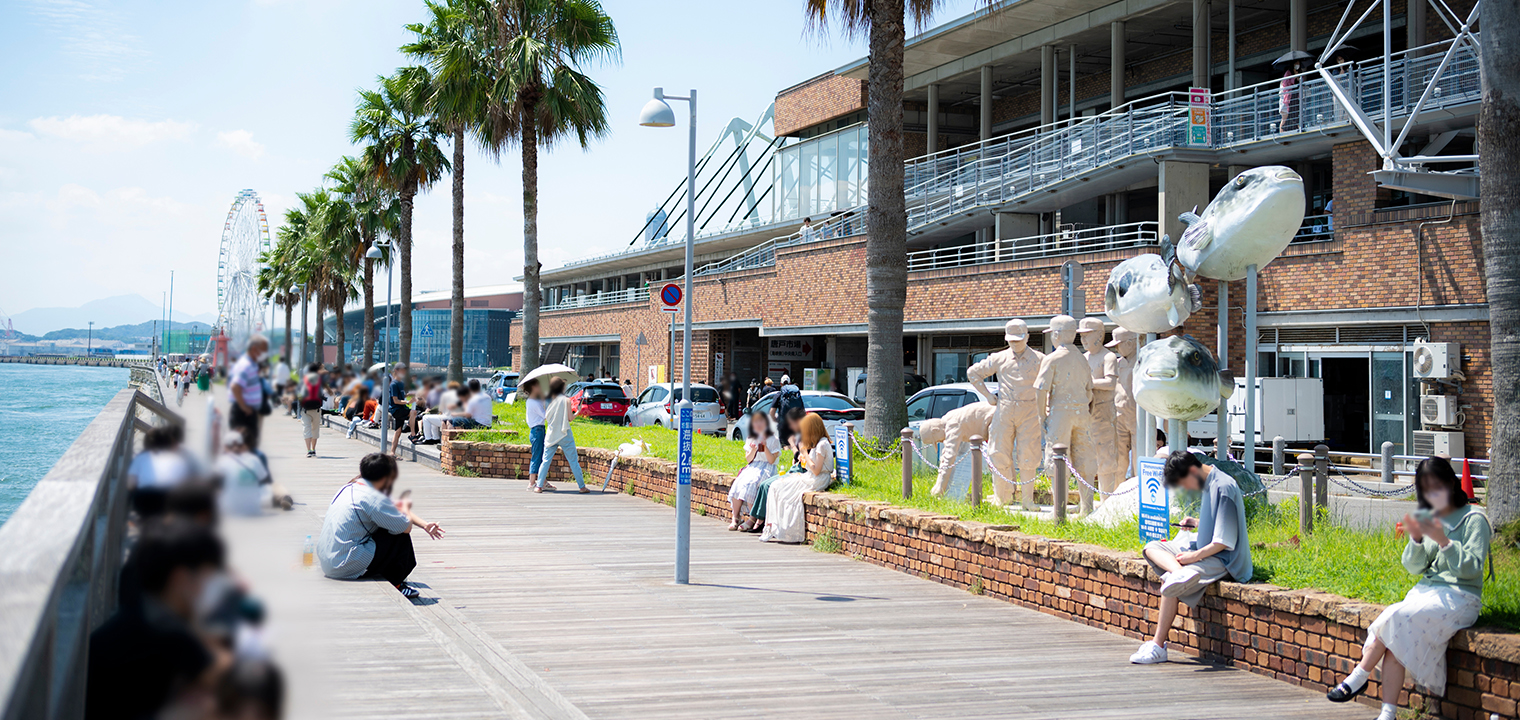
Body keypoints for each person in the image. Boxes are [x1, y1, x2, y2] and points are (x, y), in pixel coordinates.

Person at [1325, 457, 1491, 720]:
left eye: (1436, 487)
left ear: (1450, 483)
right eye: (1424, 490)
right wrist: (1415, 539)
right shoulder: (1432, 516)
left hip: (1461, 597)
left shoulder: (1474, 519)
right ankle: (1387, 713)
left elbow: (1472, 569)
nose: (1431, 495)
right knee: (1394, 638)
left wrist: (1444, 542)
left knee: (1396, 619)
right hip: (1427, 592)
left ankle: (1358, 676)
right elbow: (1415, 567)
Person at [86, 520, 231, 720]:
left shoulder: (138, 612)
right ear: (181, 579)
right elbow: (230, 680)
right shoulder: (170, 633)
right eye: (210, 577)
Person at [1130, 451, 1252, 664]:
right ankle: (1180, 574)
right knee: (1151, 547)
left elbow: (1224, 542)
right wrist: (1196, 523)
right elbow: (1218, 525)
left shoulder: (1223, 488)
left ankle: (1158, 646)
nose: (1186, 489)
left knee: (1169, 582)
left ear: (1193, 471)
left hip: (1224, 560)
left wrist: (1193, 557)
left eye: (1184, 483)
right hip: (1204, 549)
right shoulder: (1210, 481)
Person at [316, 453, 444, 598]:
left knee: (390, 523)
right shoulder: (373, 498)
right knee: (399, 534)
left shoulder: (349, 488)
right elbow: (405, 526)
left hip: (328, 562)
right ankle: (397, 583)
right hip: (344, 565)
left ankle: (386, 573)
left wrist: (425, 525)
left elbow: (395, 508)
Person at [759, 413, 834, 543]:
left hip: (817, 479)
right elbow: (811, 466)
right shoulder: (817, 443)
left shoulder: (822, 444)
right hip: (810, 476)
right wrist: (803, 457)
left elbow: (816, 470)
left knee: (784, 490)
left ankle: (782, 529)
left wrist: (805, 452)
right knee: (776, 486)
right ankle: (771, 525)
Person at [128, 424, 201, 518]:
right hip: (170, 498)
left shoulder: (141, 457)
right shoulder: (177, 458)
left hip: (145, 499)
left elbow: (130, 485)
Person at [728, 411, 781, 531]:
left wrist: (765, 446)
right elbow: (748, 459)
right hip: (753, 466)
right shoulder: (751, 437)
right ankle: (736, 517)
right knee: (738, 483)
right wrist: (752, 450)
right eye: (755, 422)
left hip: (767, 467)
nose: (758, 425)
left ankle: (752, 519)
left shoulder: (773, 438)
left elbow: (772, 460)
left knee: (752, 484)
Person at [536, 377, 588, 493]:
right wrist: (578, 411)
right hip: (565, 433)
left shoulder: (547, 400)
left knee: (545, 461)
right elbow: (569, 418)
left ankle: (538, 486)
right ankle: (582, 487)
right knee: (573, 460)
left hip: (551, 433)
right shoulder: (566, 400)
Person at [228, 337, 269, 452]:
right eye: (263, 350)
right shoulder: (246, 365)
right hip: (243, 413)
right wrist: (244, 406)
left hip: (247, 411)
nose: (265, 354)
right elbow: (235, 386)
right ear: (254, 349)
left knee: (248, 445)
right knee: (244, 446)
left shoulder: (251, 364)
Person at [215, 432, 269, 517]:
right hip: (254, 511)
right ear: (242, 445)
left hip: (230, 513)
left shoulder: (222, 462)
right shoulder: (254, 459)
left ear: (225, 447)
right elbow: (263, 478)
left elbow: (215, 484)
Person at [522, 378, 548, 489]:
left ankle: (543, 481)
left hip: (536, 430)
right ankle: (532, 482)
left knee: (540, 455)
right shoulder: (534, 402)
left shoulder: (531, 400)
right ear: (533, 387)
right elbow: (545, 415)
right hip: (538, 430)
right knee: (538, 456)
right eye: (538, 386)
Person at [383, 363, 412, 456]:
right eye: (402, 370)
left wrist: (408, 395)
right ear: (396, 371)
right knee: (413, 412)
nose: (404, 372)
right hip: (397, 409)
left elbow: (401, 396)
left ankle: (392, 452)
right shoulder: (394, 384)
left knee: (397, 431)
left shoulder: (401, 383)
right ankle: (412, 432)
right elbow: (395, 400)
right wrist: (407, 402)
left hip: (401, 408)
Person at [296, 362, 324, 458]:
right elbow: (321, 393)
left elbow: (299, 393)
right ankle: (313, 449)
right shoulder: (319, 379)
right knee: (315, 429)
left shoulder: (304, 379)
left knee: (306, 428)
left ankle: (308, 450)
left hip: (305, 408)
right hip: (316, 408)